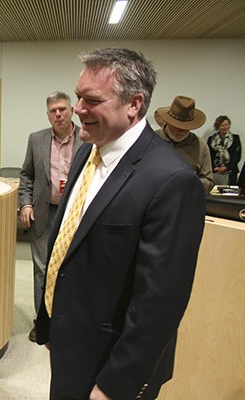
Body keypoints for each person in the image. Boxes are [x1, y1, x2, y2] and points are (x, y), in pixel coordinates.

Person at [35, 48, 206, 400]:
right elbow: (69, 248)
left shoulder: (171, 180)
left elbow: (160, 301)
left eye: (92, 99)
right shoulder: (88, 150)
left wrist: (116, 385)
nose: (78, 109)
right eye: (78, 95)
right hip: (70, 345)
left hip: (112, 367)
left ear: (134, 104)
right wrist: (50, 323)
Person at [19, 91, 82, 342]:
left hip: (75, 215)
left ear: (72, 111)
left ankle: (67, 322)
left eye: (62, 109)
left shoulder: (87, 140)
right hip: (44, 213)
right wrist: (25, 204)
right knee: (42, 270)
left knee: (71, 268)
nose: (58, 114)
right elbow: (26, 175)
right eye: (53, 111)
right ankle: (42, 322)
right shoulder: (36, 139)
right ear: (48, 115)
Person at [154, 96, 215, 193]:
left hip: (185, 203)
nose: (182, 130)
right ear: (168, 122)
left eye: (187, 127)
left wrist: (188, 183)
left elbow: (209, 182)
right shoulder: (151, 140)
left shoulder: (200, 146)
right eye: (177, 126)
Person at [207, 115, 241, 185]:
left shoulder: (235, 138)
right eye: (223, 125)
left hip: (231, 172)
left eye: (227, 125)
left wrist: (226, 167)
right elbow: (208, 155)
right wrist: (215, 168)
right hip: (215, 172)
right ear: (218, 126)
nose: (225, 127)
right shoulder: (211, 139)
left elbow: (237, 156)